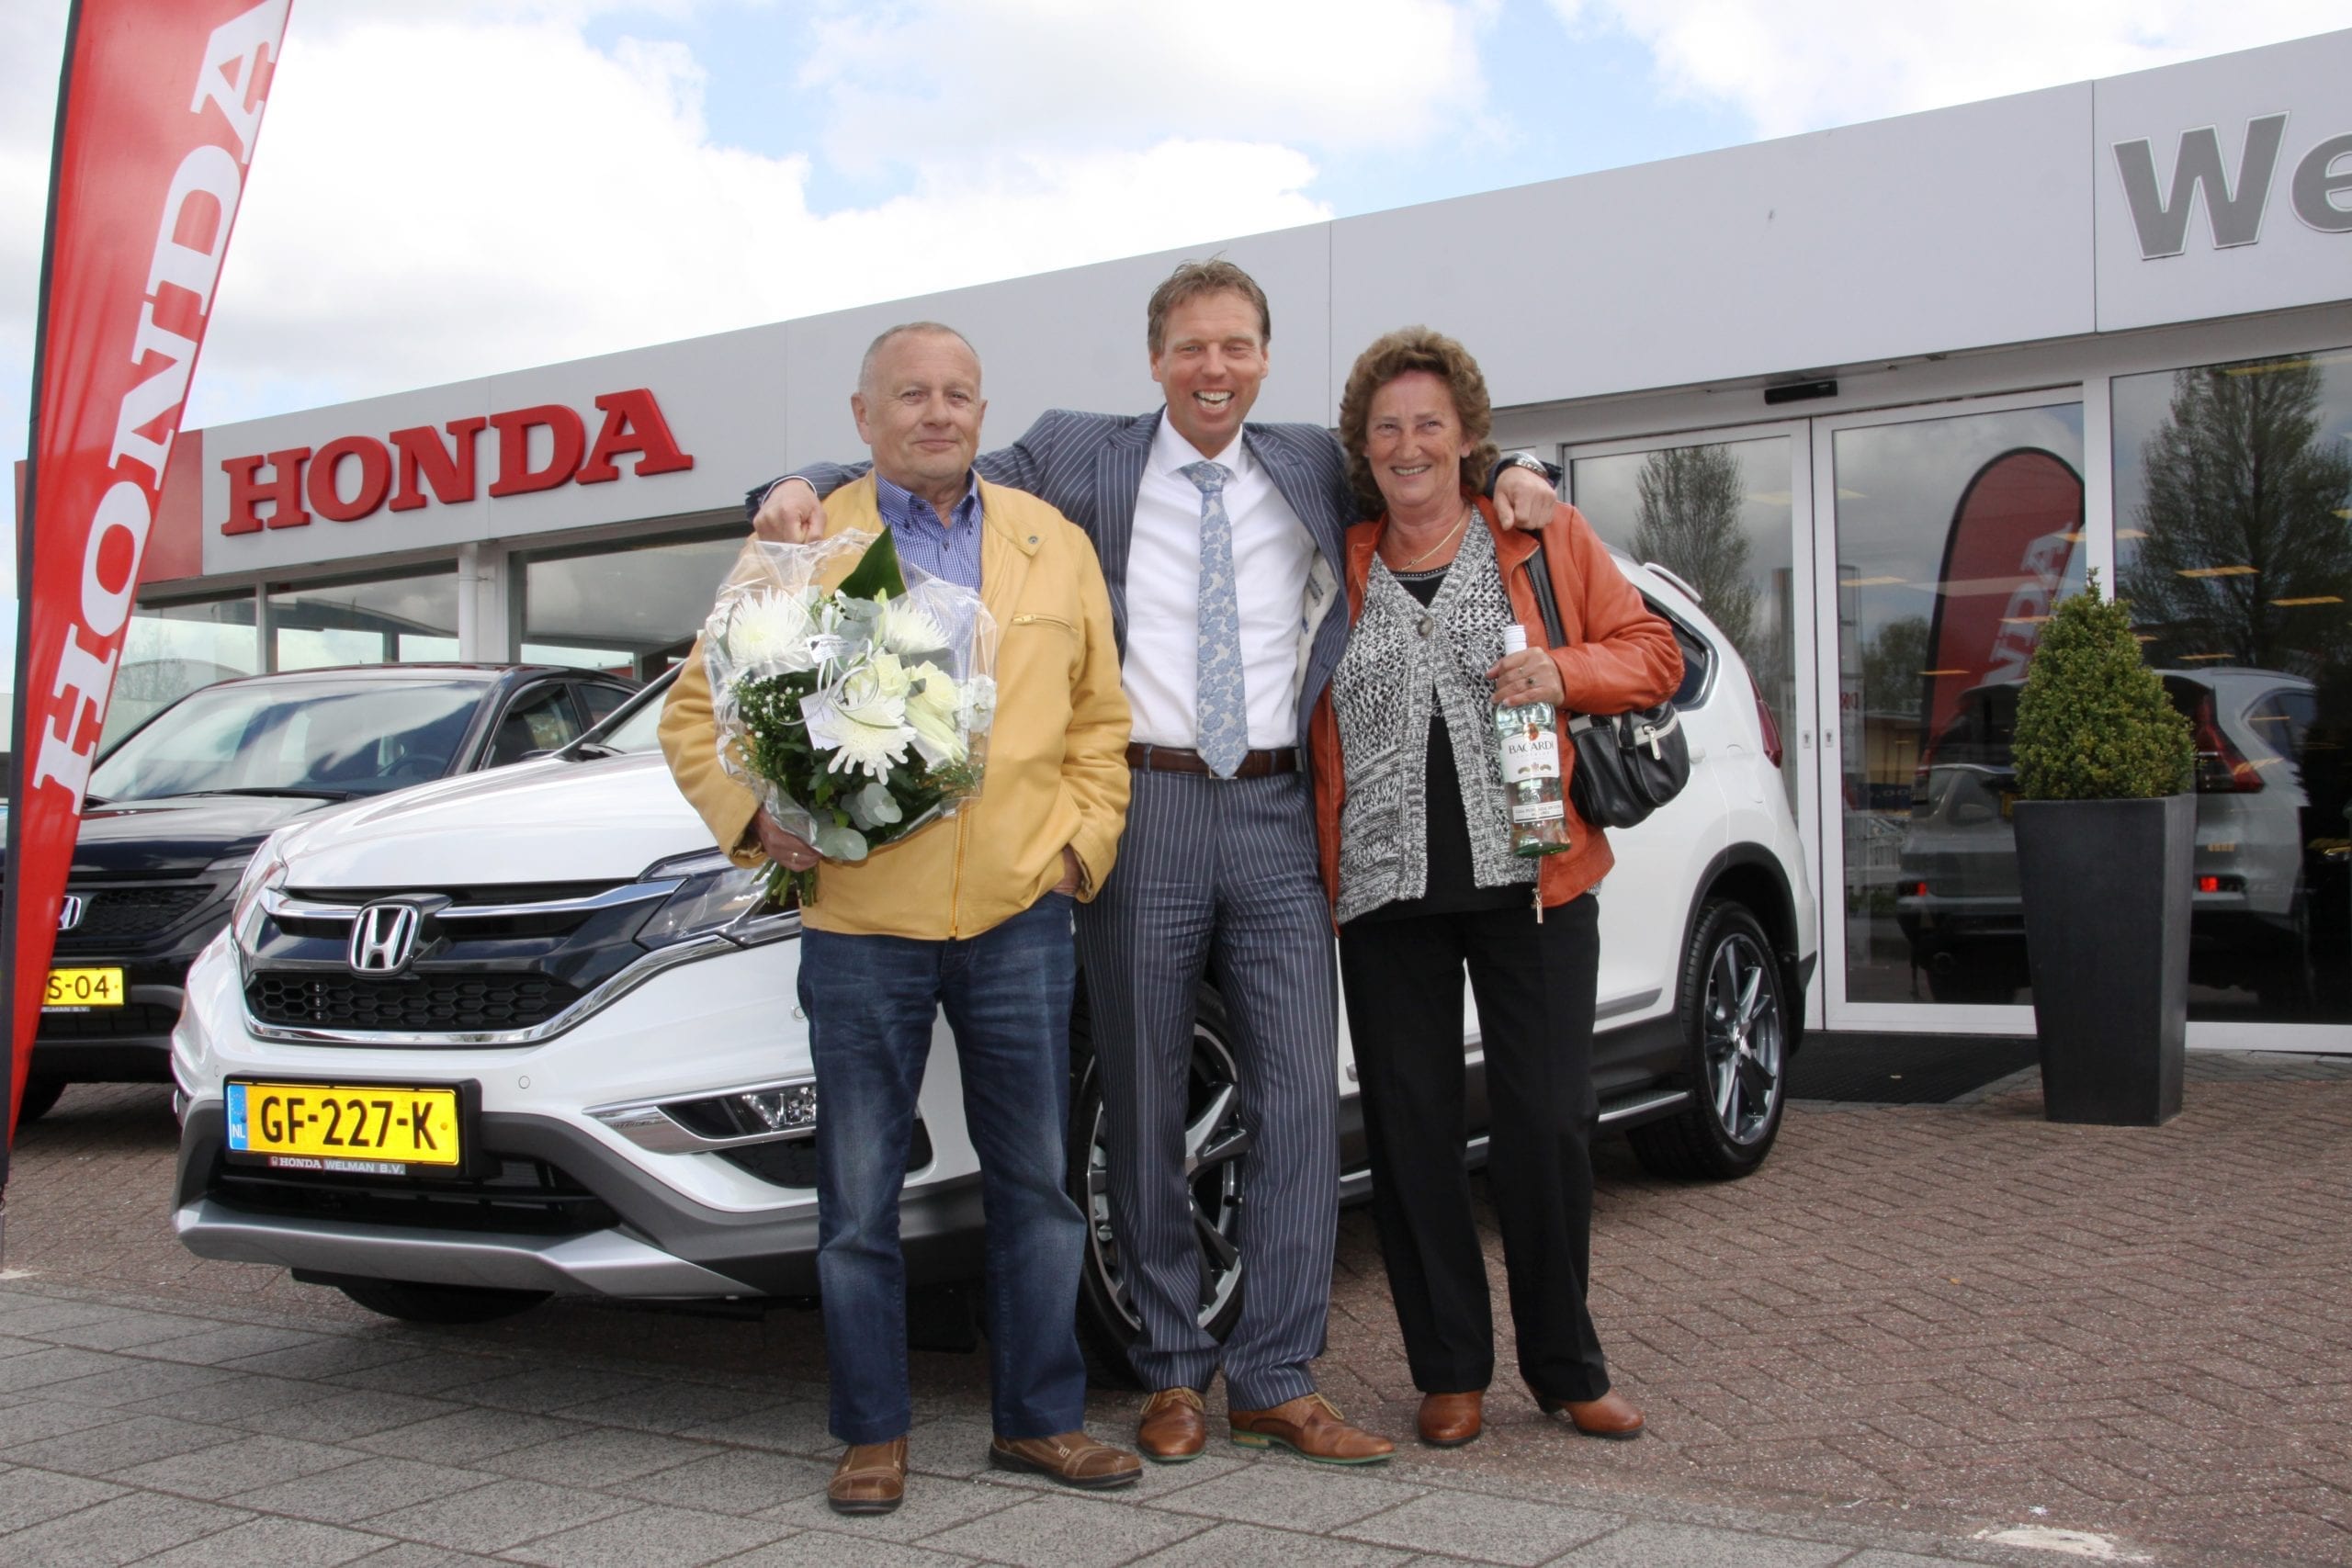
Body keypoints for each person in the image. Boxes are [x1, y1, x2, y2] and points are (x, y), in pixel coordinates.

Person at [748, 262, 1561, 1467]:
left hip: (1277, 807)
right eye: (1190, 347)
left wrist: (1516, 468)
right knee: (1140, 1098)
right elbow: (927, 463)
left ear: (1265, 358)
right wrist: (796, 485)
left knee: (1298, 1100)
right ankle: (1173, 1368)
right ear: (1155, 360)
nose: (1212, 368)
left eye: (1235, 346)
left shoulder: (1312, 462)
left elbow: (1425, 464)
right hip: (1149, 806)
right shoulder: (1082, 454)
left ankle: (1277, 1374)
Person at [661, 322, 1139, 1513]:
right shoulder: (803, 539)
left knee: (1036, 1187)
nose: (937, 412)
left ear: (983, 410)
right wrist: (756, 818)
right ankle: (871, 1430)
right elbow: (696, 713)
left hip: (1019, 914)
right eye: (911, 394)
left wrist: (1078, 849)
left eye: (958, 394)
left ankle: (1041, 1419)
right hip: (861, 920)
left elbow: (1100, 721)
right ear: (862, 416)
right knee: (859, 1192)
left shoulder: (1051, 540)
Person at [1306, 327, 1680, 1449]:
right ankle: (1449, 1372)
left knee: (1549, 1129)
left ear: (1467, 435)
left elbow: (1652, 652)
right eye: (1387, 428)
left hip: (1535, 883)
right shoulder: (1336, 557)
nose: (1408, 445)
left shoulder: (1537, 532)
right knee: (1411, 1136)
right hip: (1385, 892)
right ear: (1362, 448)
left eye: (1429, 423)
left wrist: (1563, 671)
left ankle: (1566, 1367)